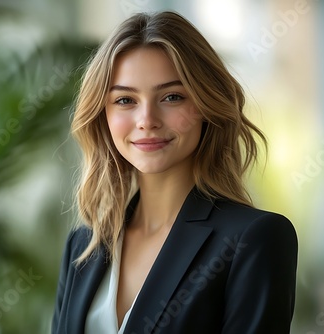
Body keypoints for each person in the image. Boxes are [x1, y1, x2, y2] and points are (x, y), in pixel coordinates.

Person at [52, 11, 298, 334]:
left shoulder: (255, 239)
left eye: (172, 97)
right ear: (103, 115)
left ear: (206, 106)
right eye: (125, 99)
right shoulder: (84, 245)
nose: (147, 120)